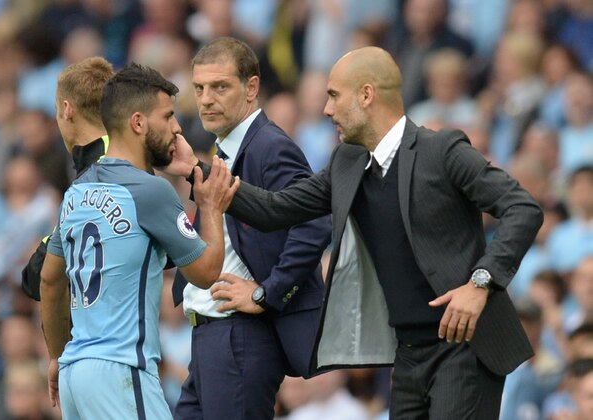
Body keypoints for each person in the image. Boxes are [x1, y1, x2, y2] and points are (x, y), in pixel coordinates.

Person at [172, 46, 544, 418]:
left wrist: (481, 282)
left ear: (366, 95)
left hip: (464, 344)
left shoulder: (442, 150)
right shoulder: (347, 162)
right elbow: (274, 210)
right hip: (409, 354)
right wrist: (193, 167)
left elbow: (522, 208)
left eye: (334, 96)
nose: (326, 109)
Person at [39, 63, 238, 419]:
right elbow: (207, 273)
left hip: (74, 376)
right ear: (138, 123)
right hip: (121, 371)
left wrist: (56, 356)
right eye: (168, 116)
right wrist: (211, 207)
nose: (177, 127)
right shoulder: (150, 192)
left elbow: (50, 280)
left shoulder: (76, 191)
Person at [171, 37, 331, 420]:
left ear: (252, 88)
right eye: (199, 88)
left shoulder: (269, 146)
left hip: (239, 336)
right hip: (214, 336)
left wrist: (266, 293)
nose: (206, 99)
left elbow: (315, 220)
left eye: (220, 86)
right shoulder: (226, 148)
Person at [21, 56, 115, 302]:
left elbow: (35, 277)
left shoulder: (100, 171)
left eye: (55, 110)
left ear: (67, 109)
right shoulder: (116, 159)